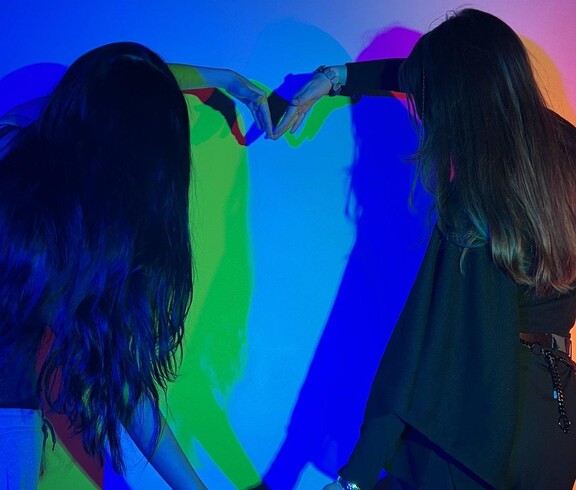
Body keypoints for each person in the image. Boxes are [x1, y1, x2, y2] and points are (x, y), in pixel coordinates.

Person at [274, 8, 576, 489]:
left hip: (477, 434)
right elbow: (447, 75)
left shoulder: (477, 200)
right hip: (556, 426)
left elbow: (420, 344)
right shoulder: (565, 152)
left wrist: (354, 477)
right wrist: (338, 77)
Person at [0, 41, 272, 489]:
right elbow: (122, 386)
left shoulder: (13, 139)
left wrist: (220, 77)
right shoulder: (76, 248)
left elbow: (107, 88)